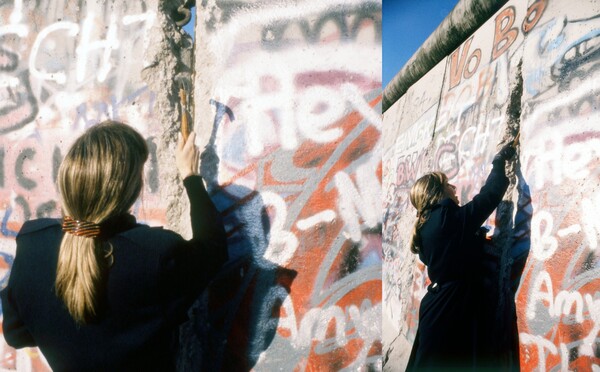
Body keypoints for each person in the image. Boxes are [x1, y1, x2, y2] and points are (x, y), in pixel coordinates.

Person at [0, 121, 227, 371]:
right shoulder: (157, 255)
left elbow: (17, 334)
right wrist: (191, 177)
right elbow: (214, 248)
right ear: (128, 189)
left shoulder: (33, 243)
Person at [405, 142, 516, 371]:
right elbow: (489, 195)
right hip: (451, 311)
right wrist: (498, 160)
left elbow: (450, 252)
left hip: (438, 308)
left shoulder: (428, 225)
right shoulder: (446, 219)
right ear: (437, 193)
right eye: (447, 185)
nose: (454, 188)